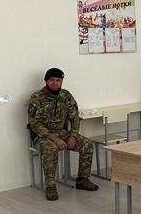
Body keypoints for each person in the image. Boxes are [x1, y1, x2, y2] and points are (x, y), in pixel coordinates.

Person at [27, 68, 99, 201]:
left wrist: (73, 136)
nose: (55, 83)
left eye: (58, 80)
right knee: (51, 148)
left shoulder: (66, 96)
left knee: (87, 144)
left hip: (63, 133)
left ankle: (83, 179)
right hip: (42, 136)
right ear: (46, 81)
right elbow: (34, 123)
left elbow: (75, 118)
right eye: (52, 80)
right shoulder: (37, 97)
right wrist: (54, 139)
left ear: (62, 82)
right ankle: (50, 186)